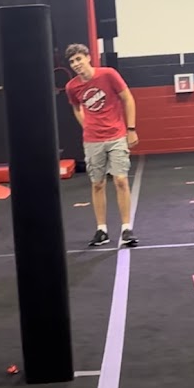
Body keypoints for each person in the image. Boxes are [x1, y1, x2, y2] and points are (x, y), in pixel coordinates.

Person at [65, 43, 138, 248]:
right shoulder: (72, 87)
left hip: (116, 135)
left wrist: (131, 129)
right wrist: (86, 125)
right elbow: (76, 108)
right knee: (97, 183)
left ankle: (126, 228)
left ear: (88, 57)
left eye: (79, 59)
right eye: (72, 62)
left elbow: (127, 98)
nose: (76, 64)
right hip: (92, 140)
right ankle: (102, 229)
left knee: (121, 180)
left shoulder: (108, 74)